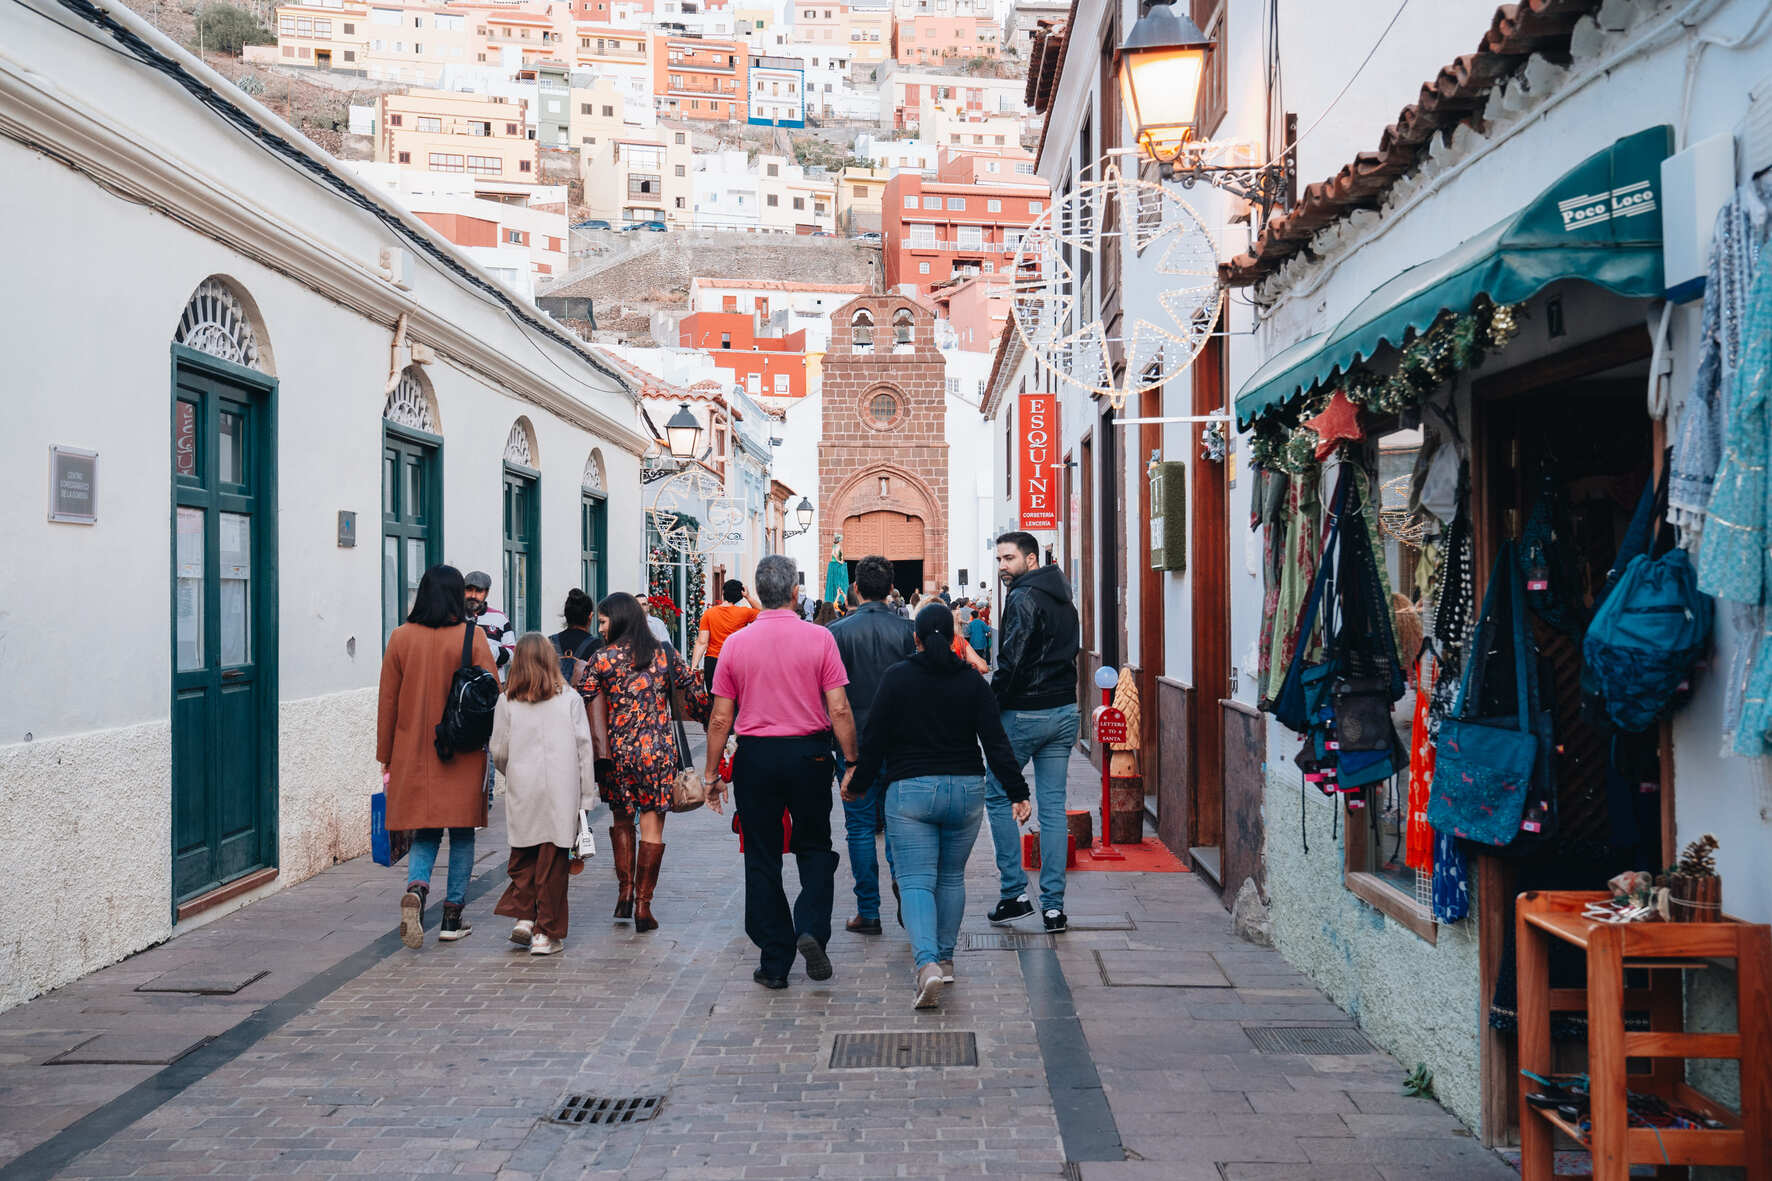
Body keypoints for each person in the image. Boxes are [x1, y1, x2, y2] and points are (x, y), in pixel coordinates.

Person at [846, 603, 1031, 1008]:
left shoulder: (896, 679)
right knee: (950, 878)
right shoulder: (972, 682)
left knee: (915, 882)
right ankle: (945, 961)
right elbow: (995, 742)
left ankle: (926, 963)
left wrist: (859, 784)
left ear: (914, 638)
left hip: (911, 792)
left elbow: (874, 739)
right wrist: (1018, 791)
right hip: (966, 791)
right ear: (953, 639)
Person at [703, 554, 857, 990]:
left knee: (762, 855)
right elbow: (840, 707)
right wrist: (853, 762)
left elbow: (719, 718)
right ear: (794, 593)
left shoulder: (736, 643)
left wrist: (713, 773)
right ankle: (810, 926)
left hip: (756, 758)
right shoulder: (820, 639)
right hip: (809, 756)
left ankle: (774, 960)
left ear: (760, 592)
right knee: (814, 846)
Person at [378, 565, 499, 949]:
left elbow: (388, 702)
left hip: (413, 751)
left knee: (425, 830)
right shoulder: (472, 636)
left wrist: (386, 756)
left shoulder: (400, 637)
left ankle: (416, 889)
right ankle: (452, 916)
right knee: (462, 833)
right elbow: (491, 692)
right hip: (460, 750)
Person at [583, 592, 710, 932]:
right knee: (652, 826)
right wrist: (714, 719)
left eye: (605, 620)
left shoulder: (602, 658)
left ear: (620, 619)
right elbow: (694, 693)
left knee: (622, 820)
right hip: (656, 753)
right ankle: (643, 905)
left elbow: (584, 698)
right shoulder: (664, 653)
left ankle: (624, 891)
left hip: (617, 754)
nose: (601, 626)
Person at [983, 531, 1083, 934]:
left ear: (1030, 557)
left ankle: (1014, 894)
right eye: (1000, 559)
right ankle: (1054, 908)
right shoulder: (1063, 594)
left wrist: (992, 704)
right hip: (1064, 711)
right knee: (1053, 809)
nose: (1003, 566)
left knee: (995, 793)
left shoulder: (1023, 597)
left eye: (1009, 558)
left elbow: (1013, 658)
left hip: (1026, 712)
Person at [490, 633, 596, 956]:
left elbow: (499, 750)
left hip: (524, 787)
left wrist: (514, 771)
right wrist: (587, 798)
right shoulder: (570, 699)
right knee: (552, 861)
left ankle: (524, 917)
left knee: (523, 855)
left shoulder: (507, 700)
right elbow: (583, 752)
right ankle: (544, 933)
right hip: (562, 792)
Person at [827, 555, 916, 936]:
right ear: (891, 589)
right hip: (900, 744)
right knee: (898, 825)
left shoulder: (836, 633)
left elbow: (832, 698)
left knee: (859, 829)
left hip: (854, 743)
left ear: (857, 589)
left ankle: (869, 910)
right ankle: (905, 890)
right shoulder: (909, 631)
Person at [691, 579, 760, 689]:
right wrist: (748, 597)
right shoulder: (745, 613)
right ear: (740, 596)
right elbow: (764, 613)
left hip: (713, 661)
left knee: (715, 699)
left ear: (723, 593)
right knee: (736, 700)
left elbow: (702, 642)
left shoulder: (709, 613)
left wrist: (693, 667)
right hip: (736, 661)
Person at [463, 571, 515, 675]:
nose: (473, 595)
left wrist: (487, 652)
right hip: (461, 685)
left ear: (486, 593)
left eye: (479, 591)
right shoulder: (455, 617)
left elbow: (512, 653)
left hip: (493, 683)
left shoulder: (500, 618)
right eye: (469, 590)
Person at [551, 588, 601, 682]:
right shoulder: (598, 646)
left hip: (552, 695)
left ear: (566, 615)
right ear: (590, 616)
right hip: (582, 695)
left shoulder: (548, 643)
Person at [950, 606, 991, 675]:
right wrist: (990, 624)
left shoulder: (971, 623)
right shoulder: (981, 622)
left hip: (973, 643)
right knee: (981, 656)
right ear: (978, 615)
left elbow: (968, 632)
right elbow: (987, 630)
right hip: (981, 642)